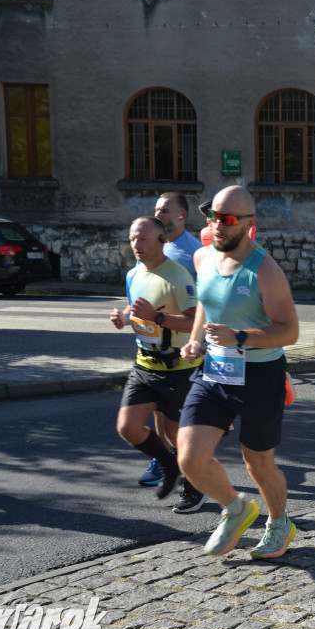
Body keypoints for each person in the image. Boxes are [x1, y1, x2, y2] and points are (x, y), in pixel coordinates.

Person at [177, 185, 301, 559]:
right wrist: (195, 340)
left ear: (249, 224)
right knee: (188, 458)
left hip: (260, 376)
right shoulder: (201, 258)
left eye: (228, 220)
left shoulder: (265, 270)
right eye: (213, 216)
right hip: (214, 370)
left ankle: (279, 522)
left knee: (258, 462)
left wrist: (241, 335)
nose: (218, 225)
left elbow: (290, 332)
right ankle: (235, 509)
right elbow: (204, 303)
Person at [110, 217, 201, 507]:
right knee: (128, 427)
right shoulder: (133, 274)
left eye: (143, 239)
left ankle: (195, 487)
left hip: (177, 370)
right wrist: (124, 318)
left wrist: (158, 318)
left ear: (162, 240)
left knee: (177, 436)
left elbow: (194, 322)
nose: (136, 244)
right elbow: (136, 307)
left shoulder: (178, 277)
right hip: (144, 365)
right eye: (133, 238)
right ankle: (169, 465)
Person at [134, 192, 208, 512]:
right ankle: (164, 460)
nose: (158, 213)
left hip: (185, 349)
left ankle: (193, 477)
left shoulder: (194, 253)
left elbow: (205, 302)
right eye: (155, 209)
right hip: (152, 348)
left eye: (165, 209)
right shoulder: (152, 247)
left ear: (181, 215)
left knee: (179, 422)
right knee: (160, 414)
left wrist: (199, 339)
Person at [154, 192, 204, 279]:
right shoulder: (149, 245)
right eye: (156, 210)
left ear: (182, 215)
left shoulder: (196, 252)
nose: (157, 215)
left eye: (164, 211)